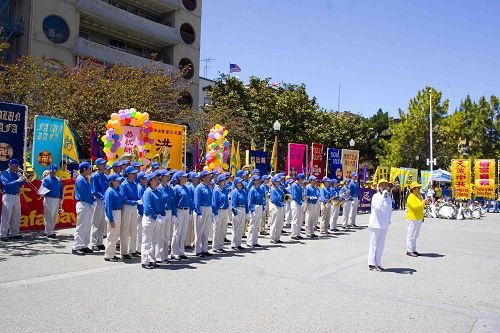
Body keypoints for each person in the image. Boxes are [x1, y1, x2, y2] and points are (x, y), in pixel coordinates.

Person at [367, 179, 393, 271]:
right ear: (378, 187)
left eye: (385, 185)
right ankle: (371, 263)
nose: (384, 187)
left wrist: (389, 220)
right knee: (373, 244)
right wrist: (382, 197)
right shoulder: (375, 196)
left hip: (384, 224)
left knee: (381, 245)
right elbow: (377, 208)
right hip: (375, 224)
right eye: (382, 185)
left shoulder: (389, 198)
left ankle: (378, 262)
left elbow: (389, 210)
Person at [72, 162, 95, 255]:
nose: (90, 170)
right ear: (84, 169)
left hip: (87, 204)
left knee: (87, 226)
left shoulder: (85, 178)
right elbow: (85, 194)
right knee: (81, 226)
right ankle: (76, 246)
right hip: (84, 203)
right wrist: (92, 201)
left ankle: (84, 245)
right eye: (89, 168)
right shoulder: (81, 179)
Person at [141, 171, 162, 269]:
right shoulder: (148, 192)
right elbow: (148, 207)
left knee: (154, 241)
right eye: (155, 179)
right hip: (150, 218)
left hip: (156, 218)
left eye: (158, 179)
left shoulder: (158, 191)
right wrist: (156, 217)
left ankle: (152, 260)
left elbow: (161, 205)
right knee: (147, 241)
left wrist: (162, 215)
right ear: (150, 181)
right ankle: (145, 261)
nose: (157, 181)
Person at [1, 159, 25, 241]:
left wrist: (21, 177)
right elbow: (6, 184)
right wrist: (16, 181)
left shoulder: (16, 174)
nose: (16, 168)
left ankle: (14, 233)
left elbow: (23, 183)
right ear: (9, 165)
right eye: (14, 166)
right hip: (8, 195)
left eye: (17, 166)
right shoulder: (4, 173)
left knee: (16, 215)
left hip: (16, 196)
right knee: (6, 215)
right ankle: (3, 234)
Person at [119, 166, 140, 260]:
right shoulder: (123, 184)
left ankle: (132, 250)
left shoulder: (134, 184)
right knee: (125, 229)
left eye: (135, 173)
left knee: (133, 229)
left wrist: (136, 202)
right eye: (132, 173)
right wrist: (135, 202)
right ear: (127, 174)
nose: (135, 174)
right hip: (127, 207)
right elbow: (124, 199)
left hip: (133, 207)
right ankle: (124, 251)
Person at [193, 170, 214, 257]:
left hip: (208, 208)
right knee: (199, 230)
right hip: (201, 209)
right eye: (208, 176)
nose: (210, 177)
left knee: (206, 230)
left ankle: (205, 249)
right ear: (203, 178)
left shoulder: (209, 187)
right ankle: (198, 250)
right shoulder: (199, 188)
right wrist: (198, 212)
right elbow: (196, 201)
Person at [171, 171, 191, 260]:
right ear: (179, 178)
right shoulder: (176, 188)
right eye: (183, 177)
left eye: (186, 177)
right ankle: (174, 252)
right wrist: (174, 214)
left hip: (186, 210)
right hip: (179, 210)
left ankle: (181, 251)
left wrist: (190, 211)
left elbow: (189, 200)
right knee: (177, 232)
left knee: (183, 232)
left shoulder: (186, 188)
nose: (186, 179)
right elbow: (174, 201)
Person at [103, 174, 123, 262]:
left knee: (115, 234)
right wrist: (111, 219)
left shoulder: (116, 190)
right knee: (111, 234)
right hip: (113, 213)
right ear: (112, 181)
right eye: (117, 180)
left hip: (117, 212)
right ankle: (108, 255)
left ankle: (112, 253)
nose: (119, 181)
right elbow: (108, 207)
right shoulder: (110, 191)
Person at [155, 170, 174, 262]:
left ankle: (165, 255)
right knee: (160, 235)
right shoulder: (159, 188)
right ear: (161, 177)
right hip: (162, 213)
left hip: (169, 212)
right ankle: (159, 256)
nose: (168, 178)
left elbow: (173, 201)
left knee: (167, 235)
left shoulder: (170, 188)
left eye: (168, 176)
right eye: (166, 176)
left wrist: (174, 214)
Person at [90, 158, 108, 251]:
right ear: (97, 166)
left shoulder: (104, 176)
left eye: (104, 163)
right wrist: (103, 197)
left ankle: (100, 241)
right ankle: (94, 243)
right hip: (97, 200)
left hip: (104, 200)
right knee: (96, 222)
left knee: (102, 222)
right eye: (102, 164)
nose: (104, 165)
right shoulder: (94, 176)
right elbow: (94, 190)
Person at [41, 164, 63, 238]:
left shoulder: (58, 179)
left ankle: (48, 230)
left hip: (56, 199)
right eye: (51, 171)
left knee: (54, 216)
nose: (53, 172)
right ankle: (49, 232)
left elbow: (61, 190)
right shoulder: (46, 179)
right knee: (48, 215)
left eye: (54, 171)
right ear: (49, 170)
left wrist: (61, 200)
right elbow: (42, 189)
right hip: (48, 198)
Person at [212, 174, 230, 253]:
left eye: (225, 180)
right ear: (219, 181)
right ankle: (215, 246)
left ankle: (220, 245)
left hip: (225, 210)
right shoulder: (216, 190)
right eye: (223, 180)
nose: (224, 181)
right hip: (219, 211)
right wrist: (215, 213)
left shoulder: (225, 190)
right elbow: (214, 203)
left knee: (223, 229)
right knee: (217, 229)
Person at [406, 182, 425, 257]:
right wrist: (423, 202)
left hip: (418, 217)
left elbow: (420, 208)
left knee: (415, 235)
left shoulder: (418, 196)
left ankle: (413, 250)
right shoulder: (411, 197)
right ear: (413, 189)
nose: (419, 189)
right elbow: (415, 207)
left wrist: (422, 217)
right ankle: (409, 250)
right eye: (418, 188)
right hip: (412, 218)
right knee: (411, 234)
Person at [247, 175, 265, 247]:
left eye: (259, 180)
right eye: (256, 180)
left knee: (257, 225)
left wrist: (263, 207)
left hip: (260, 206)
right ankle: (250, 242)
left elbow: (262, 198)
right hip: (254, 206)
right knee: (252, 224)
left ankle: (255, 241)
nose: (258, 181)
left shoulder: (260, 189)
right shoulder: (252, 189)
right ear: (253, 181)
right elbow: (250, 201)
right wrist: (251, 209)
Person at [230, 177, 248, 250]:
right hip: (237, 209)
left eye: (241, 182)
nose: (240, 183)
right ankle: (234, 244)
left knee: (240, 228)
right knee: (236, 228)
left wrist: (247, 212)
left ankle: (239, 244)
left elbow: (246, 202)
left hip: (243, 209)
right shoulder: (234, 192)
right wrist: (235, 213)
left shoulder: (243, 191)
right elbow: (233, 203)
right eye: (239, 182)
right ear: (236, 183)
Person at [269, 176, 285, 243]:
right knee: (274, 222)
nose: (279, 182)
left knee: (280, 223)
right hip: (275, 206)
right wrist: (281, 203)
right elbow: (274, 199)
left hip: (280, 206)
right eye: (277, 181)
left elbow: (283, 197)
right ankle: (272, 238)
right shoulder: (273, 190)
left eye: (279, 181)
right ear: (274, 182)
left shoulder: (279, 189)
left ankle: (277, 238)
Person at [290, 174, 305, 240]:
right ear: (299, 179)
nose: (303, 181)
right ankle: (294, 234)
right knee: (295, 219)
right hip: (295, 202)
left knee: (299, 219)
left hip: (299, 202)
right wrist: (300, 202)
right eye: (302, 179)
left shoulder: (299, 185)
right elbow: (294, 196)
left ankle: (298, 233)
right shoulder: (294, 185)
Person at [135, 172, 147, 255]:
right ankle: (138, 249)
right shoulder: (140, 188)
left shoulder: (143, 187)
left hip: (142, 212)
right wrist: (142, 213)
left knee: (141, 231)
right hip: (140, 212)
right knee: (140, 232)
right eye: (144, 179)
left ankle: (139, 248)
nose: (146, 180)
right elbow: (141, 202)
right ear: (140, 180)